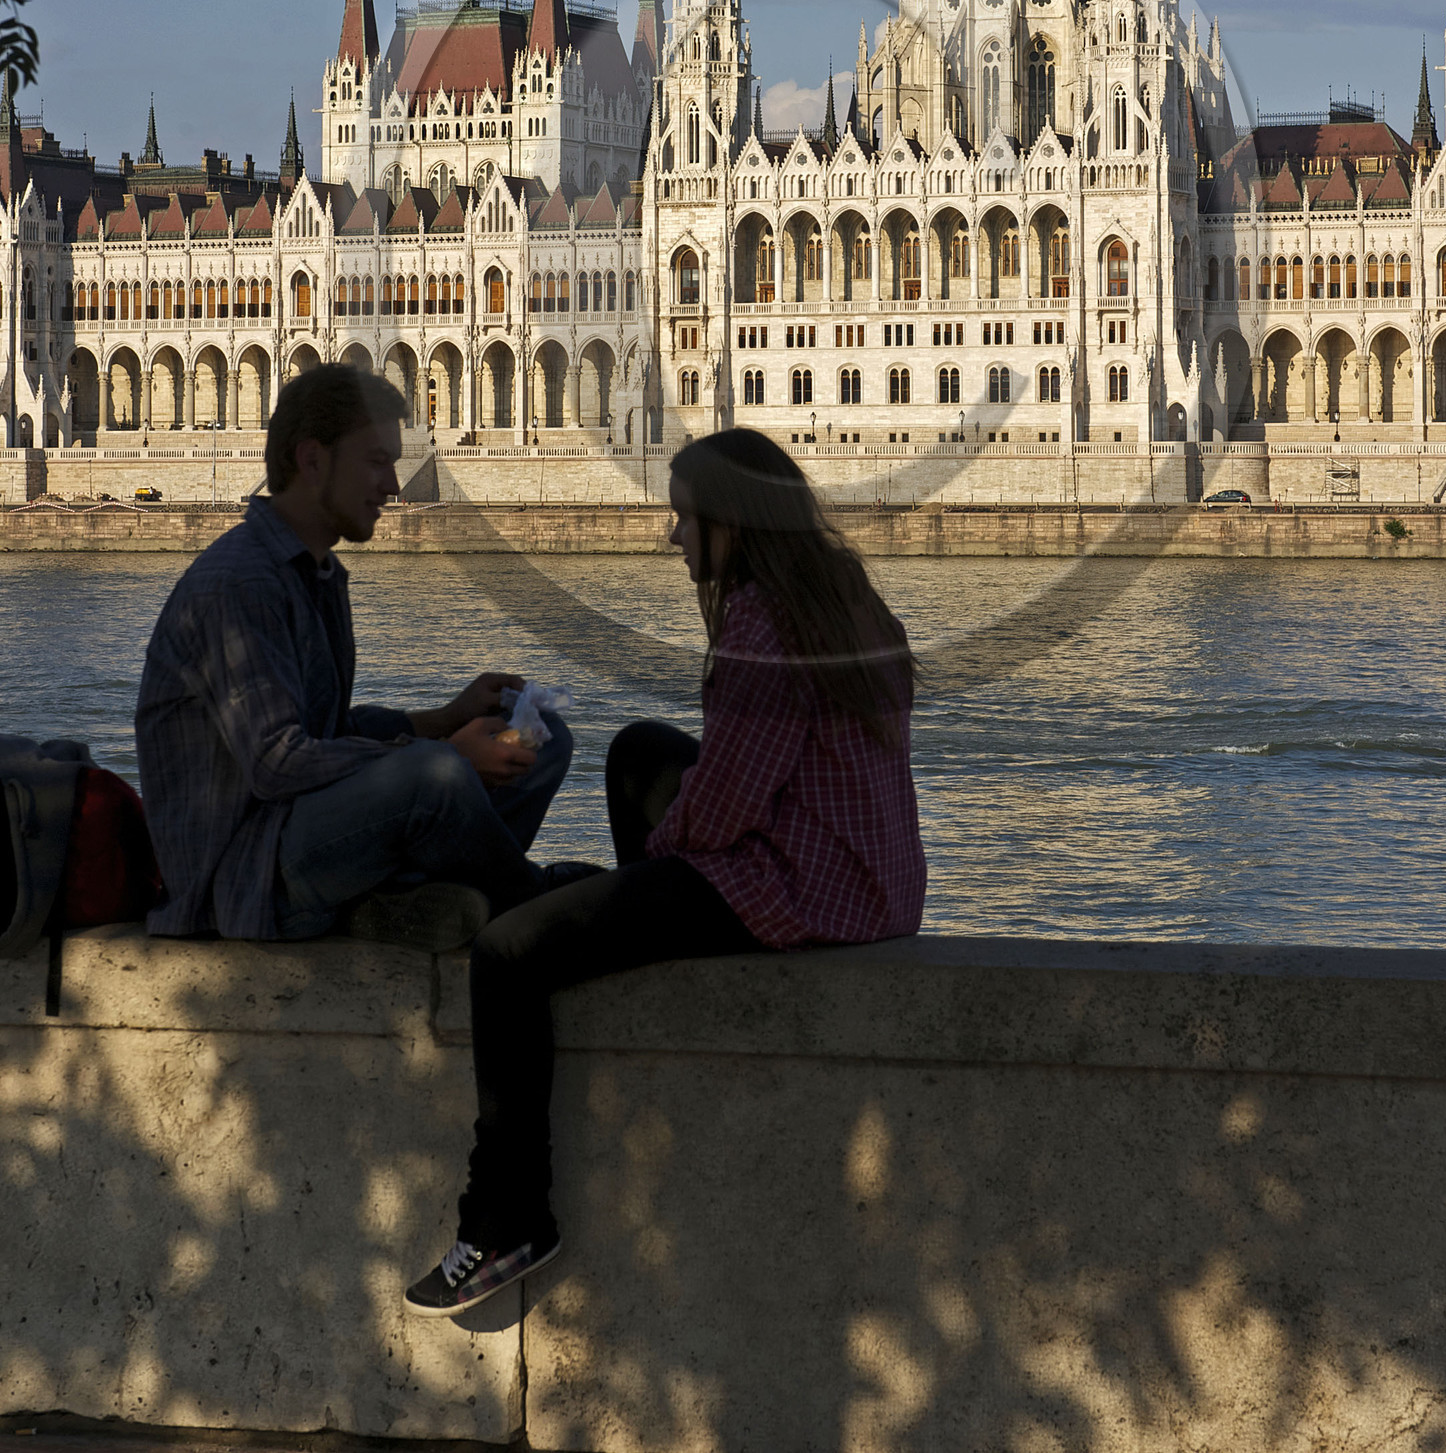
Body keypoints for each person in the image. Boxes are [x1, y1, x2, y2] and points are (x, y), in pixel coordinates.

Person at [405, 426, 926, 1317]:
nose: (672, 535)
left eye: (685, 517)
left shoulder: (763, 624)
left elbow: (723, 811)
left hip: (797, 890)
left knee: (507, 953)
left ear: (732, 522)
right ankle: (628, 925)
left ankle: (505, 1218)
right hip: (871, 882)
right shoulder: (846, 598)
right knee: (640, 752)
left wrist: (644, 873)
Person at [136, 366, 577, 952]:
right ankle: (533, 899)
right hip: (247, 874)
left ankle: (415, 898)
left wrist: (446, 718)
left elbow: (329, 732)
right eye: (376, 462)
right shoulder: (240, 583)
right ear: (313, 460)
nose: (393, 485)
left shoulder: (317, 574)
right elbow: (276, 762)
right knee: (437, 774)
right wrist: (446, 753)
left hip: (308, 832)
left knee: (545, 737)